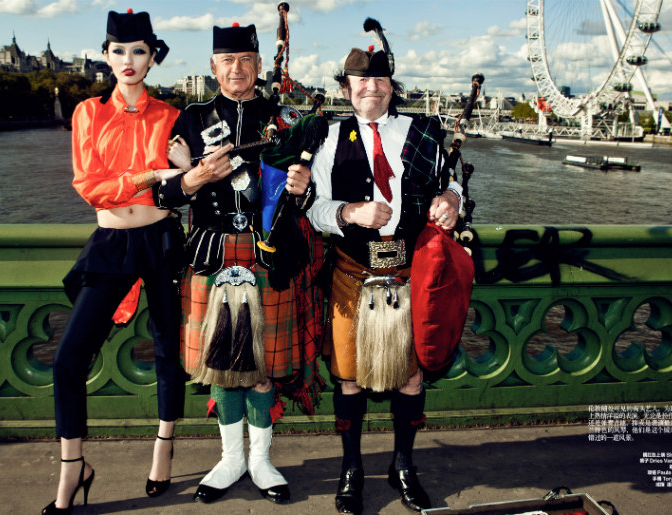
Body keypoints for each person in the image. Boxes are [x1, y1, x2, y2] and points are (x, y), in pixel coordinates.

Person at [156, 22, 323, 505]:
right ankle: (230, 459)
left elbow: (311, 195)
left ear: (257, 64)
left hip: (268, 252)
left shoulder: (285, 118)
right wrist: (197, 175)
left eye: (245, 59)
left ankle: (261, 460)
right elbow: (164, 194)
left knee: (264, 368)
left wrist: (302, 186)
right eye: (227, 61)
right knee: (222, 366)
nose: (236, 68)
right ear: (213, 67)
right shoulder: (190, 119)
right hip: (211, 254)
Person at [302, 36, 463, 514]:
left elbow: (453, 180)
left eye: (379, 78)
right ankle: (352, 470)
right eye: (360, 79)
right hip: (352, 273)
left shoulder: (425, 131)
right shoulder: (328, 137)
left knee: (411, 378)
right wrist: (349, 212)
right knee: (348, 378)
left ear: (392, 86)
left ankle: (403, 466)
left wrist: (452, 200)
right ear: (346, 87)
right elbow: (314, 210)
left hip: (412, 275)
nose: (370, 86)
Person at [43, 9, 186, 514]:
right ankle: (73, 466)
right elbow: (90, 188)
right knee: (67, 361)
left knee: (170, 348)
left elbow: (180, 190)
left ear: (153, 58)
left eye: (140, 51)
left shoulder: (171, 116)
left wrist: (185, 174)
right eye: (119, 51)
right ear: (106, 56)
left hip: (161, 239)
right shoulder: (87, 112)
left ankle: (163, 447)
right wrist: (150, 174)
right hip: (111, 243)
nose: (129, 61)